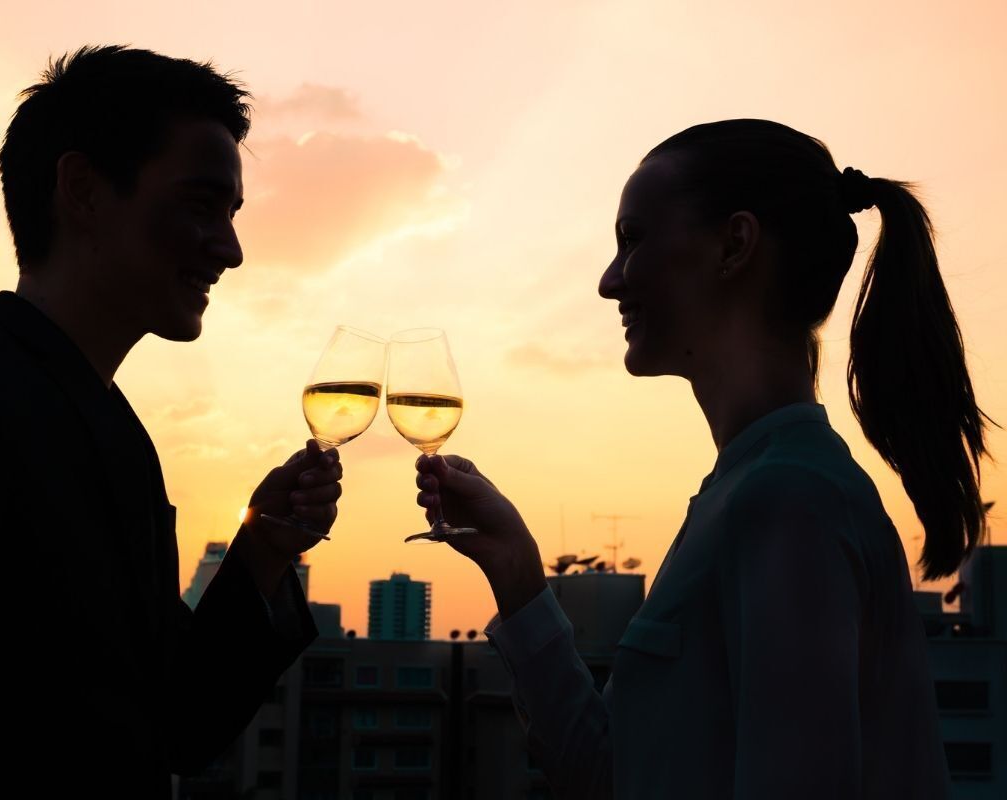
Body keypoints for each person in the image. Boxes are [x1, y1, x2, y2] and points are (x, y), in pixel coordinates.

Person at [0, 46, 340, 796]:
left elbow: (175, 726)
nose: (231, 249)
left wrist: (261, 553)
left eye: (232, 214)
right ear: (83, 190)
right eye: (201, 205)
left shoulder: (118, 436)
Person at [415, 119, 989, 798]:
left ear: (733, 246)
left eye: (633, 241)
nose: (608, 281)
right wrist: (517, 573)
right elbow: (616, 778)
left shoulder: (788, 501)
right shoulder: (750, 491)